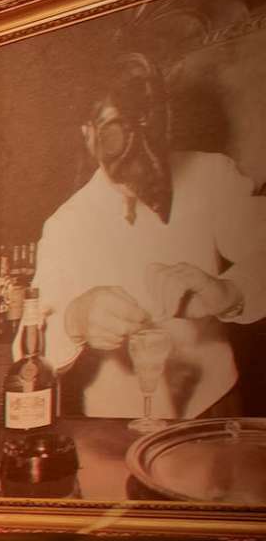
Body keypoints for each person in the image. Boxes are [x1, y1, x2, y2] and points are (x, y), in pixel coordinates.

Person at [32, 60, 266, 421]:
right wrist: (74, 320)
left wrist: (230, 293)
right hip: (117, 430)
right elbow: (28, 352)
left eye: (145, 126)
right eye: (114, 129)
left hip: (215, 411)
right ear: (88, 133)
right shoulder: (65, 225)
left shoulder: (211, 175)